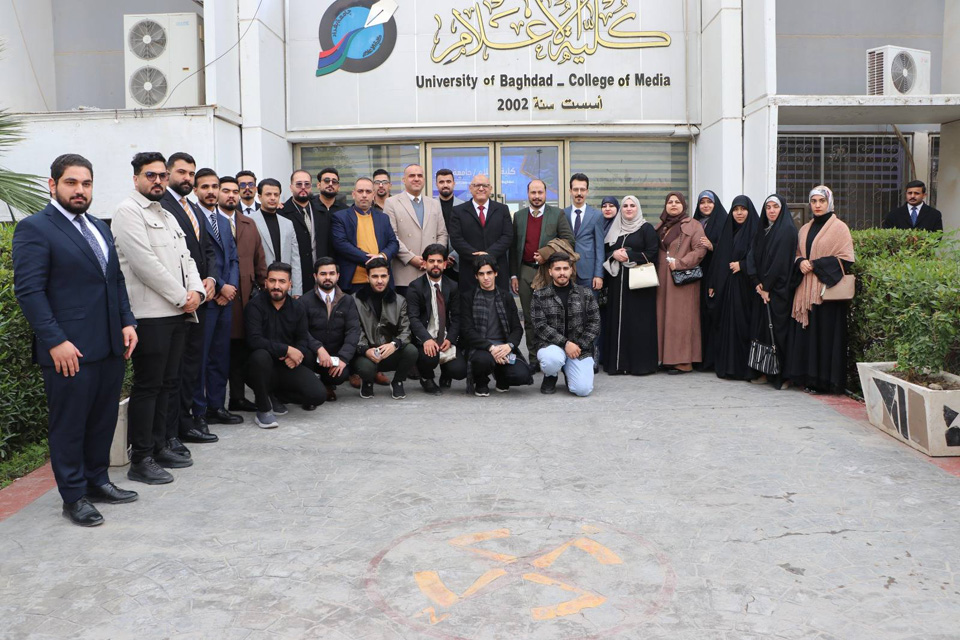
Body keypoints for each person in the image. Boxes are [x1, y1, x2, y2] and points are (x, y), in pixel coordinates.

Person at [13, 154, 140, 526]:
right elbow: (30, 292)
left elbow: (114, 280)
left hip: (110, 345)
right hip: (68, 350)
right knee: (69, 425)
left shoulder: (98, 226)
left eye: (86, 183)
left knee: (102, 420)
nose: (80, 190)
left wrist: (127, 321)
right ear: (52, 185)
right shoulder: (35, 228)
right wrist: (55, 341)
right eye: (71, 182)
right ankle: (73, 496)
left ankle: (97, 481)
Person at [113, 152, 205, 485]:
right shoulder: (127, 212)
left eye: (162, 175)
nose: (158, 181)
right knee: (149, 386)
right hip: (150, 315)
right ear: (136, 178)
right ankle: (141, 458)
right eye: (150, 175)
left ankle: (161, 444)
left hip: (178, 312)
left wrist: (197, 292)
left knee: (169, 383)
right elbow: (144, 264)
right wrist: (183, 297)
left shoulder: (165, 214)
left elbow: (187, 258)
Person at [159, 152, 219, 447]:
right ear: (168, 173)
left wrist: (212, 280)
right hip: (177, 301)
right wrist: (188, 291)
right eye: (181, 172)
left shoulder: (193, 208)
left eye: (191, 173)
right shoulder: (161, 205)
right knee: (175, 371)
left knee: (192, 366)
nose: (187, 178)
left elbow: (207, 250)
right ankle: (172, 431)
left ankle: (187, 422)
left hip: (201, 298)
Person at [785, 186, 855, 394]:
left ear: (829, 203)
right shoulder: (805, 229)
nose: (817, 205)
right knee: (808, 335)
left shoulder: (840, 228)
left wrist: (815, 265)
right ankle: (807, 378)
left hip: (826, 293)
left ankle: (825, 382)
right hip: (805, 291)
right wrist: (800, 262)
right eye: (814, 201)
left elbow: (846, 258)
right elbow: (797, 253)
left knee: (825, 336)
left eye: (821, 201)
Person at [244, 262, 326, 428]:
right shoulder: (255, 306)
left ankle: (276, 395)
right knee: (260, 356)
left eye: (282, 281)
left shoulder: (297, 307)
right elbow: (254, 340)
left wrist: (297, 355)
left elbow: (302, 338)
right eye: (272, 281)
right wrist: (287, 350)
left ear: (290, 284)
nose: (276, 286)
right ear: (266, 282)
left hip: (285, 366)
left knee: (318, 395)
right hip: (259, 368)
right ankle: (263, 408)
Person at [510, 179, 575, 371]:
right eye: (533, 193)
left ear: (546, 194)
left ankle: (552, 356)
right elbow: (513, 248)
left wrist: (546, 252)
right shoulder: (519, 216)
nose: (537, 196)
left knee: (550, 316)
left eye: (540, 192)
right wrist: (514, 275)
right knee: (529, 318)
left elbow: (569, 240)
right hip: (525, 271)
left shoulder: (557, 214)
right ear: (528, 194)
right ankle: (534, 359)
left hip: (548, 271)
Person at [193, 172, 242, 425]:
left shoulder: (222, 221)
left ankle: (216, 406)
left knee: (220, 356)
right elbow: (197, 260)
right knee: (201, 359)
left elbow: (233, 258)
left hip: (225, 300)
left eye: (215, 186)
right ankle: (198, 412)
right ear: (195, 190)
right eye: (205, 187)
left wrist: (231, 287)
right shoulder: (193, 218)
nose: (211, 191)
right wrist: (221, 286)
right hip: (206, 299)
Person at [601, 195, 660, 376]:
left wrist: (629, 256)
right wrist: (614, 254)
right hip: (617, 283)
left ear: (638, 208)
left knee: (638, 323)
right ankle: (618, 365)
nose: (628, 209)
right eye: (625, 206)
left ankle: (639, 365)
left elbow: (652, 253)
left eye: (632, 206)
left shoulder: (646, 228)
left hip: (639, 285)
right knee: (618, 322)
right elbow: (605, 251)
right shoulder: (615, 228)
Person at [460, 257, 533, 396]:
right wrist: (491, 348)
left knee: (522, 375)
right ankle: (481, 382)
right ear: (476, 276)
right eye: (481, 274)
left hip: (503, 346)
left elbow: (517, 328)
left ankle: (502, 378)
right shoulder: (468, 297)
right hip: (481, 348)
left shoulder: (506, 296)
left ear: (496, 273)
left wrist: (509, 346)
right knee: (482, 361)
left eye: (489, 273)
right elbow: (467, 330)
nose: (486, 277)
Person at [747, 194, 799, 389]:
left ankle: (782, 376)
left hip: (779, 291)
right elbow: (752, 255)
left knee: (778, 332)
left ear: (782, 208)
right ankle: (765, 370)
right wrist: (756, 282)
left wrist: (767, 287)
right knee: (762, 332)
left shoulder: (787, 230)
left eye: (775, 206)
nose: (771, 210)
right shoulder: (763, 229)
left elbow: (780, 263)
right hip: (761, 290)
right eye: (768, 207)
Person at [531, 253, 601, 396]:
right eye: (557, 269)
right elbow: (540, 326)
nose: (562, 273)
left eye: (565, 268)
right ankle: (551, 375)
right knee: (552, 360)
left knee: (583, 390)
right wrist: (565, 343)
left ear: (571, 270)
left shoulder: (585, 293)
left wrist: (578, 346)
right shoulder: (539, 295)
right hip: (551, 347)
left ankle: (569, 371)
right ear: (550, 272)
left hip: (579, 349)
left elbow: (595, 323)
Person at [224, 184, 267, 413]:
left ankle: (237, 398)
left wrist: (265, 287)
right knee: (220, 352)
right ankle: (212, 405)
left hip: (246, 298)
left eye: (234, 192)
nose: (231, 195)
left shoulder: (248, 224)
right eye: (226, 191)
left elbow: (260, 259)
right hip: (219, 297)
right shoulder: (209, 222)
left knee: (240, 350)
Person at [708, 195, 760, 381]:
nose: (739, 213)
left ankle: (742, 368)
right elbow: (719, 259)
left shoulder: (756, 231)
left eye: (743, 209)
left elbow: (760, 258)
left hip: (746, 288)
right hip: (727, 287)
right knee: (727, 326)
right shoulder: (728, 230)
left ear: (749, 211)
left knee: (743, 326)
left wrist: (743, 265)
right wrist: (713, 283)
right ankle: (727, 367)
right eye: (736, 209)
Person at [351, 257, 418, 400]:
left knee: (411, 351)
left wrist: (394, 344)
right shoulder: (355, 300)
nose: (380, 280)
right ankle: (367, 381)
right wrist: (365, 349)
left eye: (383, 276)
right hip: (365, 354)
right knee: (366, 369)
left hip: (389, 351)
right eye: (375, 276)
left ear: (388, 277)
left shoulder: (400, 300)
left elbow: (406, 330)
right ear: (367, 277)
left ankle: (398, 381)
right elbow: (354, 330)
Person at [655, 192, 707, 374]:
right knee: (664, 317)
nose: (673, 205)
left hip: (682, 279)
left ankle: (683, 361)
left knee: (681, 319)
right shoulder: (660, 226)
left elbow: (700, 249)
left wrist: (681, 263)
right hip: (662, 279)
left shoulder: (693, 225)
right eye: (670, 202)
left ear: (684, 205)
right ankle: (666, 358)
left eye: (677, 202)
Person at [406, 244, 467, 394]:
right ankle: (426, 378)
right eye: (431, 261)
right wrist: (426, 339)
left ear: (445, 264)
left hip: (445, 337)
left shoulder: (452, 286)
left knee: (460, 371)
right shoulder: (415, 287)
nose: (435, 265)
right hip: (425, 338)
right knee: (429, 358)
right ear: (424, 263)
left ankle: (446, 372)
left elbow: (457, 317)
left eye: (439, 261)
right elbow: (413, 318)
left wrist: (451, 339)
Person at [301, 257, 361, 403]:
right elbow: (301, 331)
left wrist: (343, 358)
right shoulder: (304, 301)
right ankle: (310, 387)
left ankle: (327, 383)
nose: (327, 277)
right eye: (323, 274)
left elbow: (353, 331)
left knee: (341, 375)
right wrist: (318, 348)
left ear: (338, 276)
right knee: (304, 355)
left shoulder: (347, 301)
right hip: (312, 354)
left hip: (335, 355)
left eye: (331, 273)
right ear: (315, 276)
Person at [384, 164, 448, 294]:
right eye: (412, 176)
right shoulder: (391, 203)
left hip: (431, 272)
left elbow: (442, 234)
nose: (416, 179)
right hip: (405, 272)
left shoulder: (434, 204)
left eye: (420, 175)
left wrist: (435, 258)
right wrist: (411, 258)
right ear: (404, 180)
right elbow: (392, 236)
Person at [331, 177, 400, 293]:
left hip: (380, 282)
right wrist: (374, 261)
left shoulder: (383, 218)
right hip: (353, 282)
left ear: (373, 195)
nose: (364, 195)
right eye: (360, 191)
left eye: (368, 192)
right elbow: (341, 244)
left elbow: (393, 243)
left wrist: (382, 257)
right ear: (353, 194)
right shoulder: (340, 217)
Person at [449, 174, 514, 292]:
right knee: (469, 302)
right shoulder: (458, 211)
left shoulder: (502, 209)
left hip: (497, 271)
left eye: (485, 185)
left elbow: (507, 236)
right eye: (477, 185)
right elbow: (456, 239)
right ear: (470, 188)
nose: (481, 188)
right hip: (469, 271)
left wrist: (488, 255)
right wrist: (477, 257)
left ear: (490, 189)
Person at [280, 169, 333, 294]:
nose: (303, 187)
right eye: (299, 184)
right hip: (295, 276)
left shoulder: (323, 212)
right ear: (291, 187)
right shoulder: (282, 213)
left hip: (320, 277)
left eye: (307, 184)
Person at [693, 190, 729, 371]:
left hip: (715, 275)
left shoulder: (724, 222)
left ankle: (713, 360)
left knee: (713, 316)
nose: (706, 205)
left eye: (709, 202)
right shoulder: (695, 223)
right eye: (702, 202)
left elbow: (729, 249)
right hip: (695, 277)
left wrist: (712, 246)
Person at [250, 178, 302, 294]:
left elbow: (295, 259)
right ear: (259, 197)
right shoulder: (249, 221)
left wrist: (297, 291)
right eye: (268, 194)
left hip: (285, 288)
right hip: (260, 287)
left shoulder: (288, 223)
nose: (273, 198)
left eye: (276, 194)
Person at [564, 173, 605, 293]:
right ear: (570, 191)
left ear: (587, 191)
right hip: (566, 270)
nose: (579, 193)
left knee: (589, 304)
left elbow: (599, 248)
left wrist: (598, 274)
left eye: (582, 189)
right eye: (575, 189)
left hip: (588, 272)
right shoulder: (563, 214)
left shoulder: (596, 215)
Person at [435, 168, 465, 281]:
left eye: (448, 181)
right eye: (441, 182)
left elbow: (467, 235)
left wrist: (453, 256)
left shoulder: (464, 207)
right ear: (436, 184)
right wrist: (439, 256)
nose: (445, 185)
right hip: (435, 262)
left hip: (458, 262)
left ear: (454, 183)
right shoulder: (430, 206)